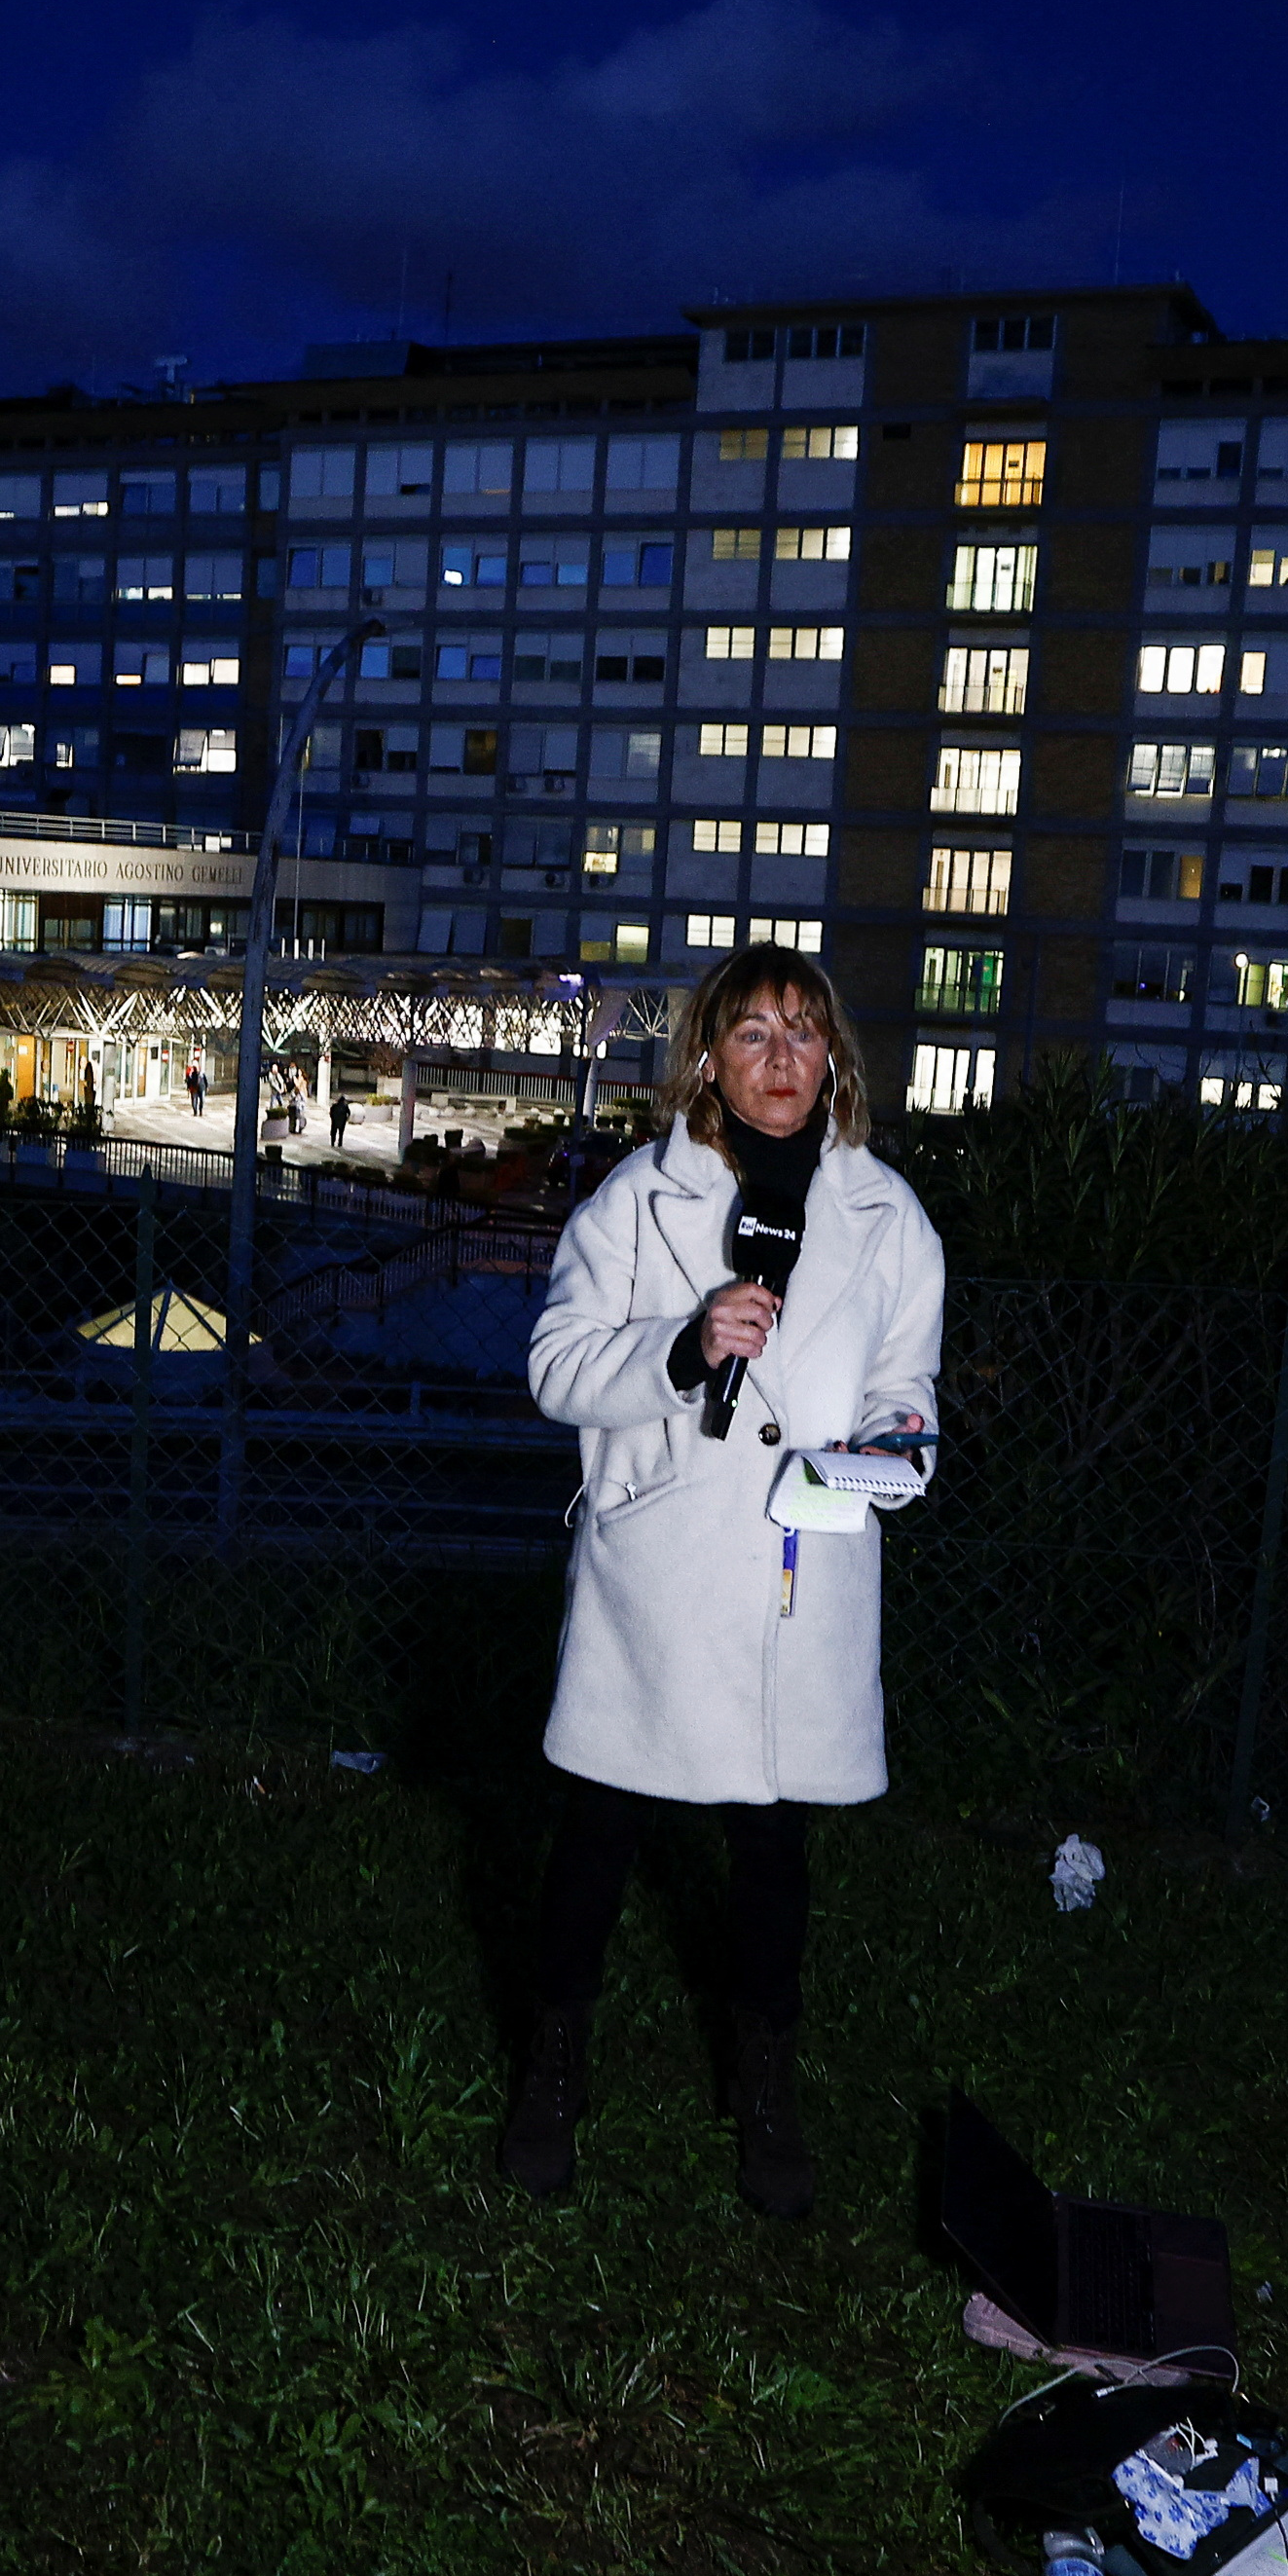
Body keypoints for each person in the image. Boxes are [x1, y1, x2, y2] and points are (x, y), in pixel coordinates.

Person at [501, 945, 944, 2217]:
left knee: (772, 1853)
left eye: (805, 1033)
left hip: (800, 1588)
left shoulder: (890, 1218)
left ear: (836, 1056)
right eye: (752, 1033)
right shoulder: (635, 1204)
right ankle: (554, 2070)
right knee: (596, 1837)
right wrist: (686, 1345)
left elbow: (904, 1390)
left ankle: (766, 2092)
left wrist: (891, 1449)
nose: (782, 1058)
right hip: (660, 1580)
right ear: (706, 1056)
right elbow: (558, 1369)